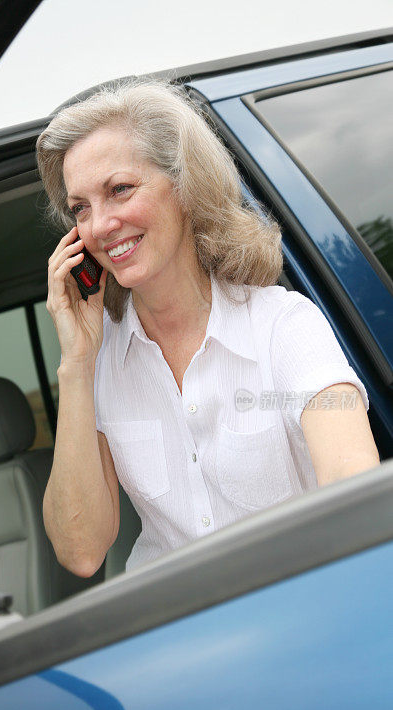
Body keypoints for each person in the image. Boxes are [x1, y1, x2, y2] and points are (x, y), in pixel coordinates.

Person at [36, 78, 380, 576]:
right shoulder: (100, 362)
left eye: (120, 190)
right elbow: (81, 552)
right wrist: (76, 363)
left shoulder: (285, 327)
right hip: (169, 636)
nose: (100, 225)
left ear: (184, 186)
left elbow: (357, 498)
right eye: (81, 208)